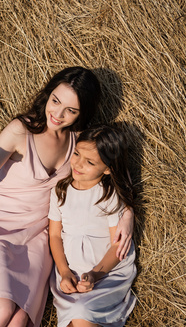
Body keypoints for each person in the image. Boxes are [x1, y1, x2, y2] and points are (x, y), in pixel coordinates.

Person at [0, 67, 134, 327]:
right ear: (48, 95)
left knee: (19, 319)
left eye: (71, 110)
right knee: (1, 310)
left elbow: (116, 180)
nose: (58, 114)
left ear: (83, 113)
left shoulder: (80, 142)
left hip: (40, 236)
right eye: (55, 101)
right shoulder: (20, 131)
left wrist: (128, 214)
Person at [48, 125, 137, 327]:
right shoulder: (60, 191)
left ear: (107, 169)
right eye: (77, 154)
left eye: (89, 162)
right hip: (70, 271)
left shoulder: (108, 195)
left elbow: (116, 246)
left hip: (106, 271)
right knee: (78, 317)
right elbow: (54, 236)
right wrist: (64, 272)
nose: (78, 164)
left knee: (82, 313)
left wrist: (96, 274)